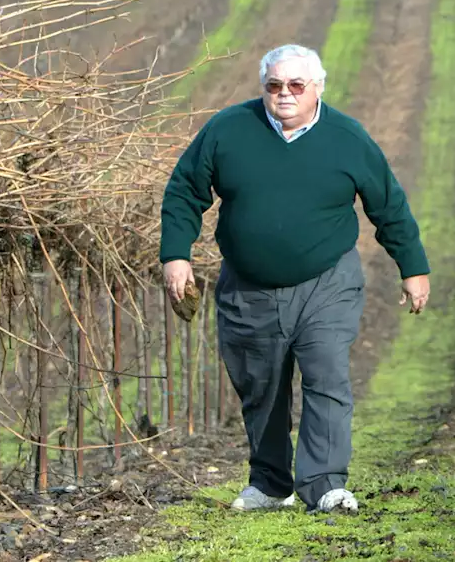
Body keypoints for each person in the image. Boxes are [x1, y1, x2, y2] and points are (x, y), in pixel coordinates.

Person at [158, 43, 430, 514]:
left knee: (326, 373)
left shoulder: (347, 137)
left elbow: (388, 205)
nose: (284, 93)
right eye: (274, 85)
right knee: (260, 385)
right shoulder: (228, 130)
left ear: (317, 88)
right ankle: (269, 483)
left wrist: (413, 267)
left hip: (327, 281)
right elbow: (184, 191)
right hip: (247, 286)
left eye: (296, 85)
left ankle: (324, 484)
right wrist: (176, 255)